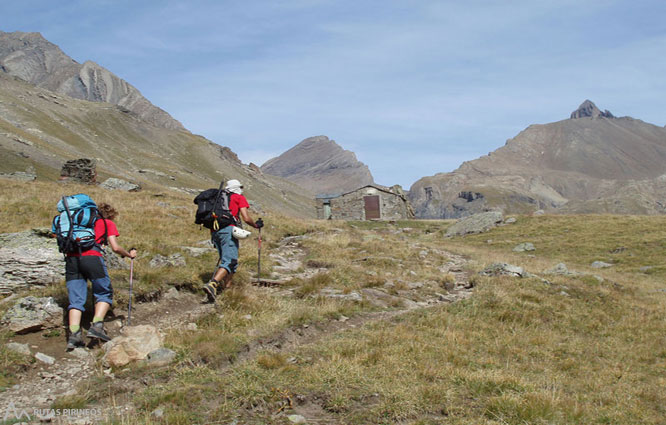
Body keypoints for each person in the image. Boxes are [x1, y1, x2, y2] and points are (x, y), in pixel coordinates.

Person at [64, 203, 136, 350]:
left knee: (76, 299)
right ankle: (97, 326)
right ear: (111, 214)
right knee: (104, 292)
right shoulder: (107, 223)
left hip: (72, 260)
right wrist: (129, 255)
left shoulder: (77, 224)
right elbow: (115, 247)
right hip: (93, 258)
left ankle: (74, 336)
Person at [203, 179, 263, 302]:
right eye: (241, 187)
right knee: (230, 260)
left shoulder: (219, 198)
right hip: (228, 230)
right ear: (237, 188)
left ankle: (227, 289)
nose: (242, 189)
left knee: (228, 261)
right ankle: (213, 284)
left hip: (215, 232)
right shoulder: (238, 197)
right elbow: (245, 218)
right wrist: (256, 225)